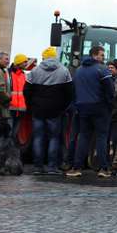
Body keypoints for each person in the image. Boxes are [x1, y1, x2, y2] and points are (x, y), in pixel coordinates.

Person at [25, 46, 73, 175]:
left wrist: (31, 106)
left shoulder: (34, 71)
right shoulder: (64, 71)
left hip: (38, 110)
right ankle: (52, 167)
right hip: (56, 111)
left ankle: (38, 167)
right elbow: (70, 93)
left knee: (38, 137)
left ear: (44, 57)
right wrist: (62, 107)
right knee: (54, 138)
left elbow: (27, 91)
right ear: (55, 56)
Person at [68, 45, 114, 178]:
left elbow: (74, 90)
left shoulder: (79, 70)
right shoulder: (102, 70)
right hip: (100, 108)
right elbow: (110, 91)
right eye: (102, 55)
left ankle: (76, 167)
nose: (103, 58)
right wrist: (110, 105)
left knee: (83, 137)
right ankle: (103, 168)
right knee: (101, 137)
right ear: (95, 55)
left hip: (82, 108)